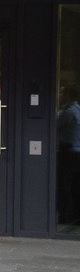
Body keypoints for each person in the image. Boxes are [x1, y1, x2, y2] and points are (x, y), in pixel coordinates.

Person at [56, 85, 80, 224]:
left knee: (64, 185)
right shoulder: (77, 110)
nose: (60, 96)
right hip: (76, 153)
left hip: (68, 152)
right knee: (74, 185)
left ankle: (66, 215)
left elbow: (54, 126)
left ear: (69, 96)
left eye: (62, 93)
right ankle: (74, 214)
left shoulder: (68, 112)